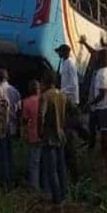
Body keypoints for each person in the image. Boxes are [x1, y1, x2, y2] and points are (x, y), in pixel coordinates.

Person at [38, 70, 69, 205]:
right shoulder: (62, 95)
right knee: (62, 167)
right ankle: (64, 194)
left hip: (49, 136)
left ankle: (57, 198)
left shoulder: (45, 96)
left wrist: (39, 131)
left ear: (45, 82)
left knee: (52, 169)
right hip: (61, 134)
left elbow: (41, 115)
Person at [0, 69, 21, 189]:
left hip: (1, 127)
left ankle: (4, 182)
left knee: (2, 156)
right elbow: (18, 109)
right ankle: (12, 180)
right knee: (10, 154)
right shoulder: (15, 91)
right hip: (12, 126)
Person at [87, 49, 107, 154]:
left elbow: (102, 93)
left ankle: (106, 151)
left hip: (103, 105)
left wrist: (91, 103)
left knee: (105, 130)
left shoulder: (102, 73)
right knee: (106, 128)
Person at [20, 80, 43, 191]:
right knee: (44, 161)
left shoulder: (26, 102)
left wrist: (23, 132)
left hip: (33, 134)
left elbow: (25, 119)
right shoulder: (44, 99)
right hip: (45, 135)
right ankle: (45, 185)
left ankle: (35, 186)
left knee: (33, 162)